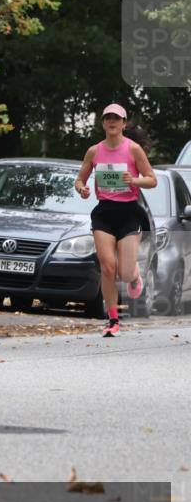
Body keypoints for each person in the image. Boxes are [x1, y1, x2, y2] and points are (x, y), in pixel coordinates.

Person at [74, 103, 156, 337]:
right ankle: (112, 319)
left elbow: (152, 180)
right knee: (108, 266)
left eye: (116, 118)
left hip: (129, 212)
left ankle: (134, 276)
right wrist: (83, 189)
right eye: (108, 118)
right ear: (103, 123)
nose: (112, 122)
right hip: (104, 213)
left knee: (125, 272)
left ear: (123, 123)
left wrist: (134, 181)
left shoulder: (133, 150)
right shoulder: (94, 151)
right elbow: (80, 180)